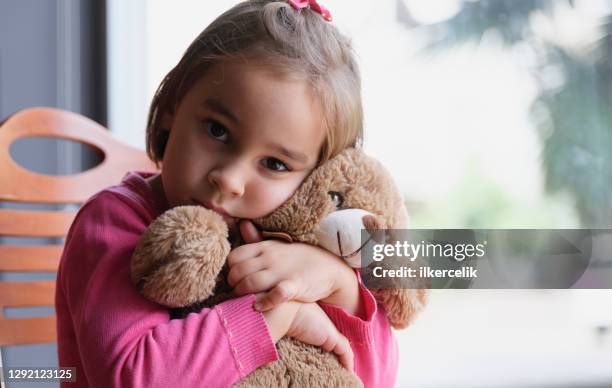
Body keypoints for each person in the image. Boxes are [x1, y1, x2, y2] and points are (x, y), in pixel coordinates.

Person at [55, 1, 398, 387]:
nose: (230, 180)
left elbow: (370, 378)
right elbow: (132, 377)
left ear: (315, 176)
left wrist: (341, 287)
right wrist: (277, 315)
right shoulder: (113, 220)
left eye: (275, 164)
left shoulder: (294, 250)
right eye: (217, 131)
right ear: (172, 106)